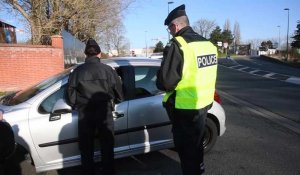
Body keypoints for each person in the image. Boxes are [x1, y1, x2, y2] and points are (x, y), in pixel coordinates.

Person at [156, 4, 218, 175]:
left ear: (175, 26)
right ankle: (199, 169)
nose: (170, 33)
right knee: (197, 146)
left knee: (186, 151)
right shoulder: (208, 45)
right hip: (204, 104)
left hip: (184, 109)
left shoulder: (179, 45)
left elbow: (165, 83)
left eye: (170, 29)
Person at [66, 39, 124, 175]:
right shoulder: (108, 70)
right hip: (104, 112)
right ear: (99, 54)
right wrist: (117, 100)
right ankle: (108, 171)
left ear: (86, 54)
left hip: (85, 113)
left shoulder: (77, 71)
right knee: (107, 146)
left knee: (86, 148)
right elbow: (118, 91)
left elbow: (70, 93)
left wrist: (75, 104)